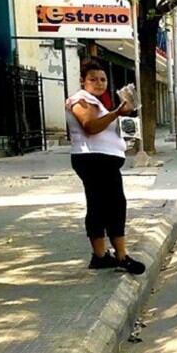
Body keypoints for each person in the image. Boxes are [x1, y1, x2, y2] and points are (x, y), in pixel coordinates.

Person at [65, 60, 145, 275]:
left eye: (103, 79)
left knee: (103, 206)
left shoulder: (97, 102)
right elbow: (90, 126)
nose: (99, 83)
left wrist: (123, 115)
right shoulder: (80, 100)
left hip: (102, 160)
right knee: (112, 206)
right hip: (93, 160)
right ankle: (120, 256)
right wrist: (116, 113)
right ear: (83, 81)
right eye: (93, 79)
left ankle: (101, 256)